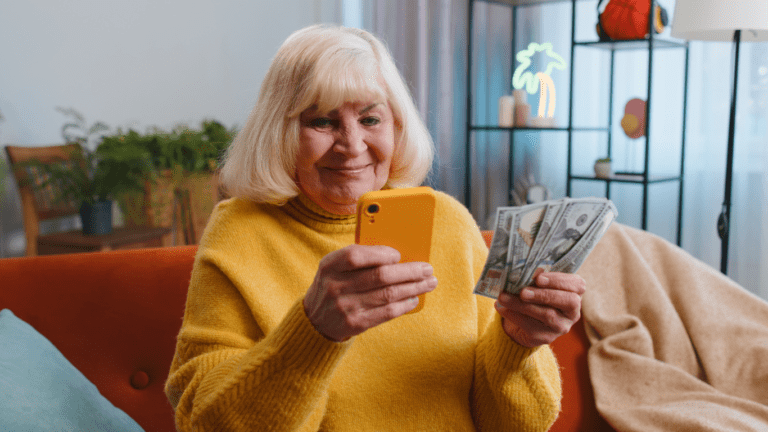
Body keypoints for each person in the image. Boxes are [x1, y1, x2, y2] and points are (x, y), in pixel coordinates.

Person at [165, 24, 585, 431]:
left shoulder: (448, 221)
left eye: (370, 120)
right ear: (280, 132)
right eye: (322, 122)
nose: (352, 146)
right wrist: (313, 333)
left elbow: (519, 424)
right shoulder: (240, 230)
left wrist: (518, 344)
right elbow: (202, 422)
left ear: (397, 126)